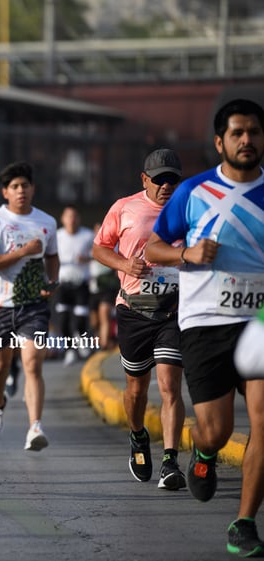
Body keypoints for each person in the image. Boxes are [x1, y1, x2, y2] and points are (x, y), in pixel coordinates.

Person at [145, 98, 264, 557]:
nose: (247, 140)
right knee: (215, 429)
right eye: (237, 133)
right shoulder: (192, 193)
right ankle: (206, 452)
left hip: (257, 321)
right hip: (205, 323)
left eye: (254, 132)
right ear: (220, 141)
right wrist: (186, 254)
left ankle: (244, 522)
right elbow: (154, 248)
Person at [92, 148, 187, 491]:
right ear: (144, 179)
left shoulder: (189, 206)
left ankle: (171, 462)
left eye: (173, 179)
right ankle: (137, 435)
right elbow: (99, 247)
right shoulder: (124, 207)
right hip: (133, 309)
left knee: (170, 387)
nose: (166, 186)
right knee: (136, 390)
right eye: (159, 179)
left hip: (174, 311)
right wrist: (124, 264)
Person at [0, 161, 59, 452]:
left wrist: (53, 280)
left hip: (34, 305)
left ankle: (35, 427)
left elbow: (52, 257)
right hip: (1, 304)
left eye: (25, 185)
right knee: (0, 363)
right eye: (14, 186)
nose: (21, 190)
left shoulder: (47, 222)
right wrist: (23, 252)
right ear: (5, 192)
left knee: (33, 363)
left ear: (33, 188)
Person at [54, 206, 95, 365]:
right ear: (62, 219)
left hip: (81, 284)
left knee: (79, 319)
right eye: (68, 216)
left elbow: (99, 254)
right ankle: (70, 350)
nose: (71, 220)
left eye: (75, 216)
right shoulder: (57, 236)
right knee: (63, 319)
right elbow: (48, 258)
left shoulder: (88, 235)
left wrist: (88, 258)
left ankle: (82, 340)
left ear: (79, 218)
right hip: (62, 284)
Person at [88, 222, 120, 351]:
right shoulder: (88, 246)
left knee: (104, 313)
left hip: (108, 287)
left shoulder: (115, 246)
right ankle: (101, 339)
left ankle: (104, 345)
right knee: (94, 321)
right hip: (92, 288)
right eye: (98, 230)